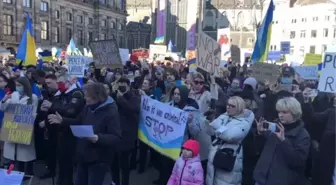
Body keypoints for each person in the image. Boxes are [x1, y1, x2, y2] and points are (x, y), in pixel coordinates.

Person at [48, 83, 122, 185]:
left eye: (87, 96)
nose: (85, 98)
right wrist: (63, 121)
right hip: (83, 155)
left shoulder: (111, 112)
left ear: (97, 97)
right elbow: (79, 121)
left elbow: (116, 137)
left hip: (98, 159)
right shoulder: (88, 107)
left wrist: (97, 138)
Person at [254, 97, 310, 185]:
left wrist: (284, 141)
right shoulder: (274, 126)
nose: (280, 115)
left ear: (294, 112)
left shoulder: (302, 135)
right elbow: (260, 150)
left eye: (284, 112)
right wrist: (260, 134)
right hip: (261, 178)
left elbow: (298, 162)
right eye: (279, 112)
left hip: (282, 181)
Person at [44, 73, 85, 185]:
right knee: (61, 161)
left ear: (69, 81)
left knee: (68, 162)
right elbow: (57, 107)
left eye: (61, 83)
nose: (59, 85)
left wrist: (52, 107)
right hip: (60, 131)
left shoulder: (77, 93)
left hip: (71, 132)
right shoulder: (60, 94)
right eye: (58, 83)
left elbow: (70, 111)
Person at [206, 96, 254, 185]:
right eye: (227, 105)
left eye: (232, 106)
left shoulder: (244, 122)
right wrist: (208, 120)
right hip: (215, 157)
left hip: (228, 158)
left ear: (239, 108)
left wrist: (216, 126)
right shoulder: (224, 116)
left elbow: (230, 136)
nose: (228, 107)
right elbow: (210, 131)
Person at [1, 76, 38, 177]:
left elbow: (32, 112)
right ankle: (12, 174)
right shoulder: (13, 95)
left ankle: (27, 173)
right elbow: (2, 108)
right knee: (12, 154)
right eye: (16, 85)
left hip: (24, 128)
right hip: (12, 127)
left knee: (24, 154)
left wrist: (16, 111)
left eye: (19, 85)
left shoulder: (33, 97)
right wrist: (4, 99)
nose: (17, 87)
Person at [111, 77, 141, 185]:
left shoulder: (134, 96)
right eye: (120, 84)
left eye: (124, 84)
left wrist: (121, 98)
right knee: (113, 164)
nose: (121, 86)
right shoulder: (115, 95)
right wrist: (113, 93)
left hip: (127, 136)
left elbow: (132, 108)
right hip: (114, 134)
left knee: (124, 165)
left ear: (128, 85)